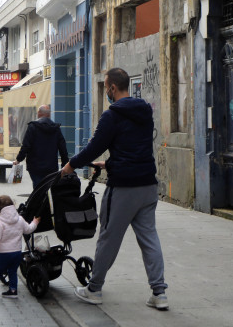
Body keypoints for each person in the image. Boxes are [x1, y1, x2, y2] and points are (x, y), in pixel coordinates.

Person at [61, 68, 168, 310]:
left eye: (106, 87)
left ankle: (94, 288)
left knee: (108, 237)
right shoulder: (145, 111)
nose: (106, 92)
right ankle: (159, 293)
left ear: (111, 88)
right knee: (150, 238)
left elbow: (94, 147)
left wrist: (70, 166)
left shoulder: (112, 115)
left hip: (123, 188)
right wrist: (108, 164)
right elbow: (134, 147)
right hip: (148, 186)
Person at [0, 194, 40, 298]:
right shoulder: (20, 219)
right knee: (13, 272)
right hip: (16, 253)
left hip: (4, 253)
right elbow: (28, 229)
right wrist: (35, 222)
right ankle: (13, 290)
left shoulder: (0, 222)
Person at [15, 105, 68, 188]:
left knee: (38, 188)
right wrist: (65, 164)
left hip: (35, 166)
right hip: (51, 166)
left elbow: (26, 145)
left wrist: (19, 159)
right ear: (49, 115)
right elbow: (63, 148)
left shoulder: (32, 127)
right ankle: (48, 200)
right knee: (49, 187)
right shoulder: (56, 128)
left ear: (39, 113)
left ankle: (39, 200)